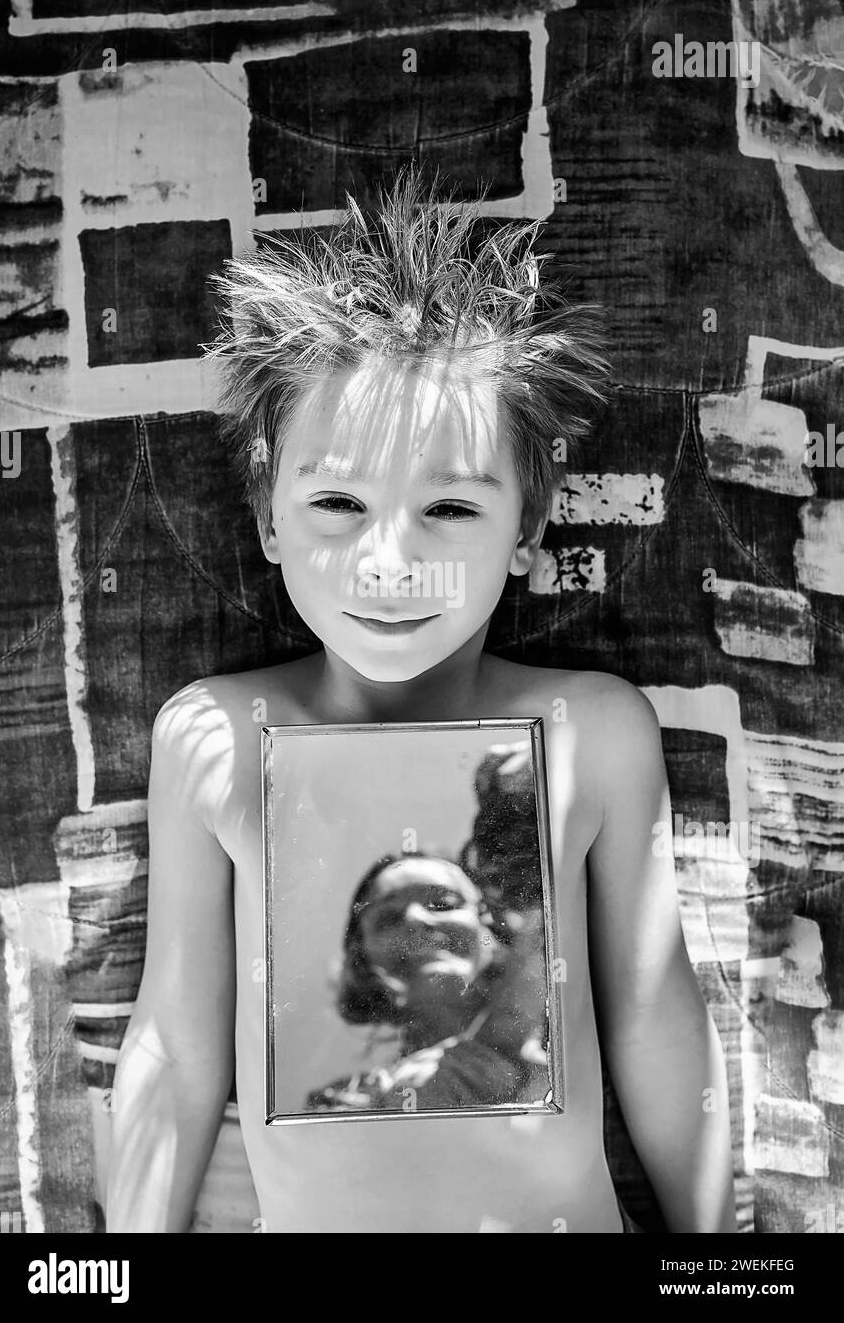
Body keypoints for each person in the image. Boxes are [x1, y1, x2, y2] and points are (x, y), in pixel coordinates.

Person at [106, 166, 737, 1233]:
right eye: (337, 503)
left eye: (446, 505)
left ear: (526, 529)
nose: (386, 561)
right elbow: (173, 1045)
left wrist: (720, 1256)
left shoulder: (591, 730)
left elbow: (653, 1014)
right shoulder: (213, 736)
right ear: (267, 520)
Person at [303, 851, 550, 1114]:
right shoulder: (350, 1103)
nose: (415, 919)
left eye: (443, 903)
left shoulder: (576, 1022)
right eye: (387, 919)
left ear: (487, 926)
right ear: (365, 967)